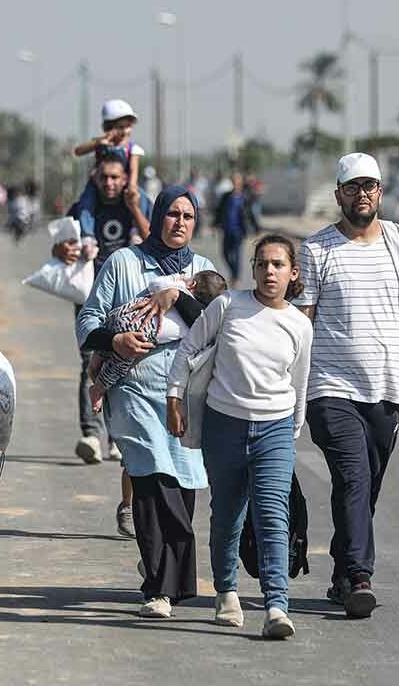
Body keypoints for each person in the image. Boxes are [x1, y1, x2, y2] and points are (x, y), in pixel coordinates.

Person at [293, 153, 399, 619]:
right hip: (329, 388)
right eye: (353, 187)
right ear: (338, 194)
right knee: (354, 477)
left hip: (386, 390)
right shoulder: (316, 250)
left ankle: (341, 575)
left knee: (365, 486)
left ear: (380, 193)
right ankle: (360, 576)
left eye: (371, 186)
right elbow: (301, 322)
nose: (363, 194)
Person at [76, 186, 217, 618]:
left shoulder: (203, 269)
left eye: (187, 216)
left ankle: (165, 571)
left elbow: (217, 328)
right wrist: (115, 340)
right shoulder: (124, 263)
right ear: (156, 217)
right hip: (135, 387)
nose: (179, 222)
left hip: (187, 396)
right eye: (171, 213)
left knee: (183, 486)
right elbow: (88, 322)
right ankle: (159, 588)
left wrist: (180, 298)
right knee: (152, 482)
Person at [167, 234, 312, 640]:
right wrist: (173, 398)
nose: (270, 271)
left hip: (275, 430)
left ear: (292, 273)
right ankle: (226, 592)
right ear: (253, 269)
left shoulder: (300, 325)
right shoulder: (228, 306)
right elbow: (189, 348)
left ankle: (276, 606)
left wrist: (290, 434)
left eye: (278, 265)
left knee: (271, 516)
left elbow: (299, 386)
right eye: (263, 264)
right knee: (227, 516)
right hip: (224, 426)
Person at [56, 152, 153, 538]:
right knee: (89, 364)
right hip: (91, 294)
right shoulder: (85, 207)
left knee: (126, 370)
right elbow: (62, 245)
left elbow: (153, 239)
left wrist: (133, 205)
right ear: (95, 177)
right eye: (104, 177)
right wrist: (62, 250)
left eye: (117, 177)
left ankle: (116, 436)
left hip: (130, 298)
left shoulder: (139, 202)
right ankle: (92, 433)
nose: (110, 183)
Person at [88, 270, 228, 413]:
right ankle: (98, 390)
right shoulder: (198, 319)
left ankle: (95, 364)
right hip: (140, 333)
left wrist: (177, 278)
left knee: (105, 350)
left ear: (192, 284)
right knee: (118, 364)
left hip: (125, 312)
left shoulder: (176, 287)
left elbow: (154, 283)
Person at [72, 99, 146, 216]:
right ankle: (87, 232)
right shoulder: (100, 144)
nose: (126, 131)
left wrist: (131, 186)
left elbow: (133, 170)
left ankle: (135, 228)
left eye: (128, 126)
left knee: (141, 197)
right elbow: (77, 151)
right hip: (99, 184)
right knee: (86, 201)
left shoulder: (132, 149)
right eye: (121, 127)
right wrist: (99, 142)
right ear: (108, 128)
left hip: (123, 185)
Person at [215, 172, 261, 282]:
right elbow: (219, 210)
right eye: (234, 181)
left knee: (237, 254)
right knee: (225, 254)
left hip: (239, 230)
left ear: (241, 182)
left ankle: (236, 277)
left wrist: (256, 227)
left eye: (237, 181)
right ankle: (233, 272)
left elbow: (250, 214)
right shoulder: (226, 196)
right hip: (227, 229)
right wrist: (215, 223)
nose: (235, 183)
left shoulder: (245, 197)